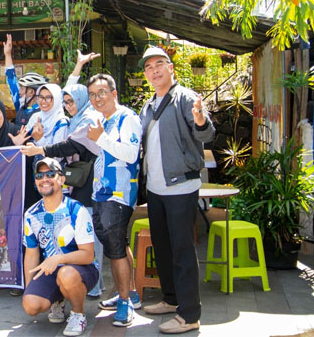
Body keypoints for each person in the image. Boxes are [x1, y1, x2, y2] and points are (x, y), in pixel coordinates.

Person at [139, 46, 214, 334]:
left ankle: (190, 314)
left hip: (181, 186)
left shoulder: (185, 98)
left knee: (182, 251)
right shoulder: (149, 105)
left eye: (160, 64)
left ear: (171, 68)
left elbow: (206, 133)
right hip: (156, 189)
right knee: (163, 248)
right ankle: (171, 299)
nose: (155, 70)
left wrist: (199, 119)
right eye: (149, 67)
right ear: (145, 74)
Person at [20, 83, 106, 298]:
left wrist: (40, 147)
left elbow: (70, 146)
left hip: (92, 181)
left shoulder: (88, 119)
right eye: (66, 102)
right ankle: (89, 282)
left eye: (71, 101)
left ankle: (92, 285)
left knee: (90, 233)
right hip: (80, 180)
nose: (68, 106)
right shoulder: (75, 120)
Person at [82, 73, 142, 326]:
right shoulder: (104, 120)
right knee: (116, 245)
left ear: (114, 93)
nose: (97, 98)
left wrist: (101, 139)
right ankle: (130, 293)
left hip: (119, 194)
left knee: (115, 251)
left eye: (102, 93)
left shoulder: (128, 118)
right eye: (93, 95)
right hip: (102, 193)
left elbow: (130, 154)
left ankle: (126, 305)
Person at [21, 158, 99, 337]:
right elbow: (31, 254)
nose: (44, 179)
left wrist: (58, 259)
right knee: (31, 305)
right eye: (39, 175)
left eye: (50, 174)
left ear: (62, 179)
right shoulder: (31, 214)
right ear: (35, 181)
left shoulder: (76, 210)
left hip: (82, 269)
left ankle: (78, 314)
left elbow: (88, 255)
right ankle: (58, 299)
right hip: (51, 271)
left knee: (66, 274)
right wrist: (30, 287)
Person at [3, 34, 48, 126]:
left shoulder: (45, 110)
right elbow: (11, 79)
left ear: (31, 92)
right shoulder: (21, 105)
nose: (19, 91)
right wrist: (7, 54)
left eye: (22, 88)